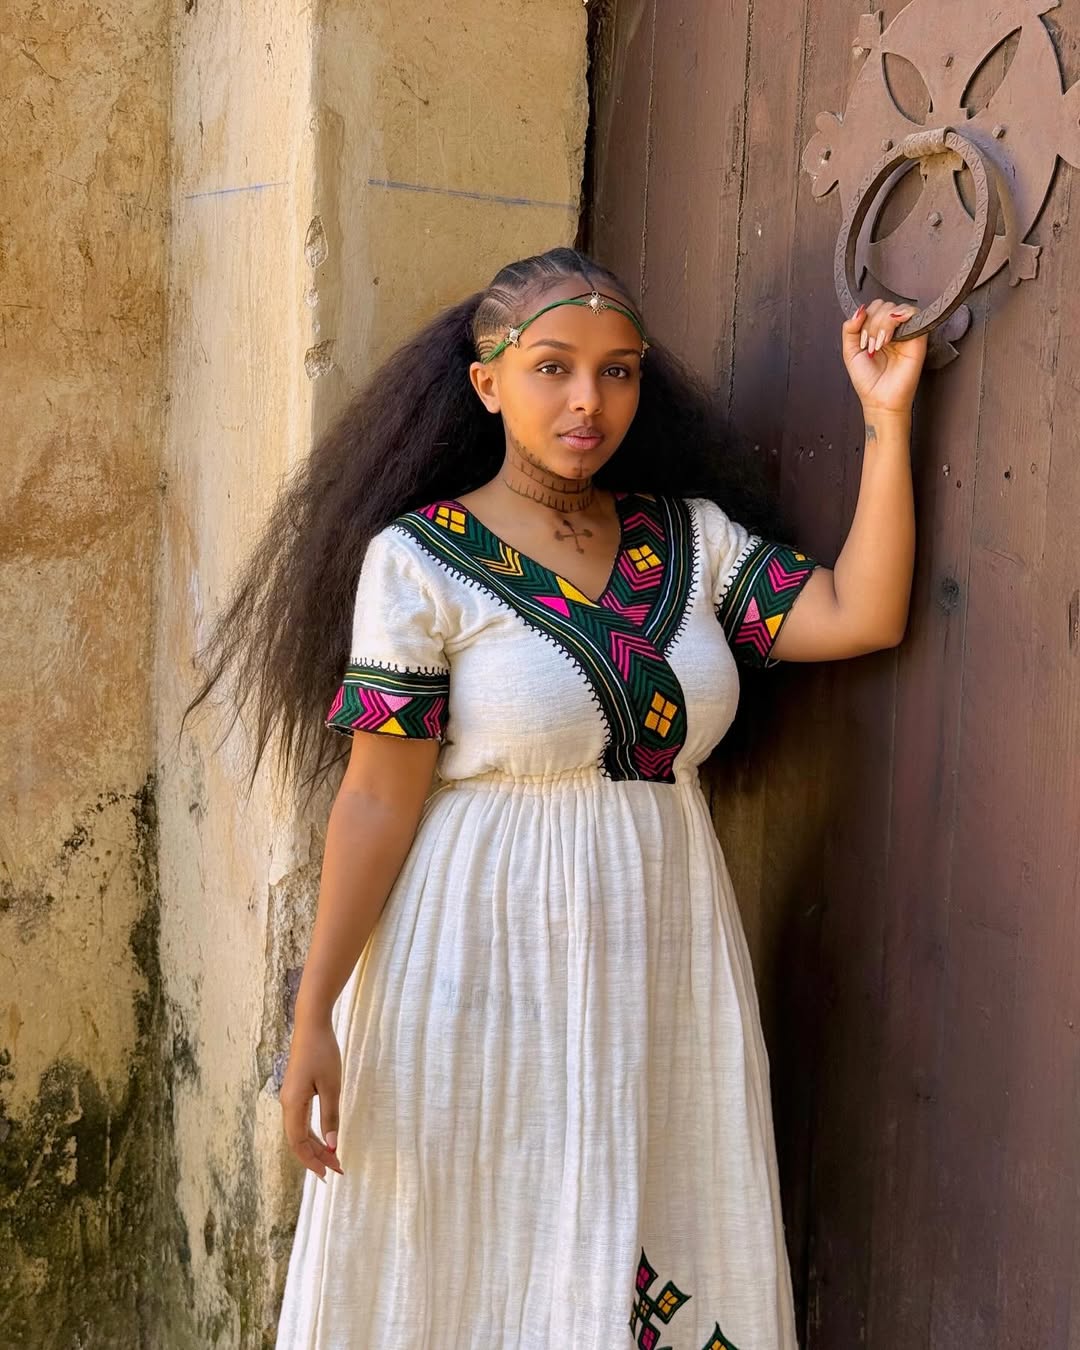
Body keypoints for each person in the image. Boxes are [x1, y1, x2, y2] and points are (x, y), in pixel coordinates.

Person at [188, 247, 925, 1348]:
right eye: (553, 369)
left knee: (656, 1228)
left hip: (660, 959)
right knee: (471, 1250)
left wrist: (887, 418)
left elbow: (861, 614)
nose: (589, 400)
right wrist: (315, 1017)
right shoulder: (419, 562)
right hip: (471, 959)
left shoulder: (693, 540)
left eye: (619, 372)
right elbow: (377, 805)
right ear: (487, 382)